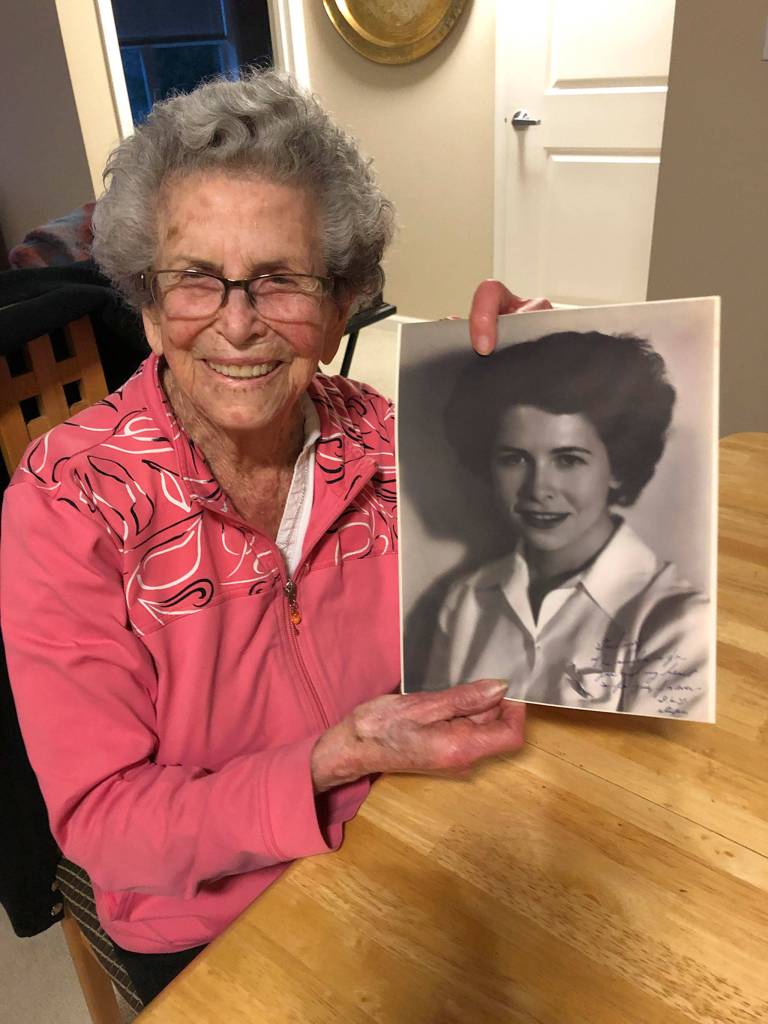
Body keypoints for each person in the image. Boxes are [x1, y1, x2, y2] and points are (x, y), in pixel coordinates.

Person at [0, 70, 540, 1005]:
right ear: (146, 302)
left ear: (338, 309)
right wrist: (333, 757)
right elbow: (102, 820)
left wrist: (524, 388)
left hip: (395, 832)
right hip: (204, 918)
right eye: (197, 279)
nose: (239, 324)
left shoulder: (377, 438)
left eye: (281, 280)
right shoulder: (69, 500)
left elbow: (500, 609)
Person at [422, 331, 710, 719]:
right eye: (515, 459)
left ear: (619, 467)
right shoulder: (467, 599)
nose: (539, 489)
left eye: (569, 460)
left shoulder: (678, 621)